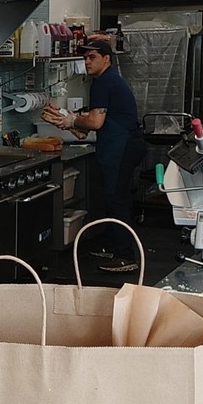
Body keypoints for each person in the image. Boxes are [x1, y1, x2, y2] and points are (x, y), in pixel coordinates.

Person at [50, 38, 146, 273]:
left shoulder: (103, 82)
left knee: (116, 199)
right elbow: (95, 119)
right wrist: (73, 120)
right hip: (124, 145)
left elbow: (95, 121)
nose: (87, 62)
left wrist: (73, 120)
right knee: (115, 198)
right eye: (84, 58)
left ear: (106, 59)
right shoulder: (108, 81)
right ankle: (114, 246)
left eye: (92, 57)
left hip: (121, 147)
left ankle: (126, 256)